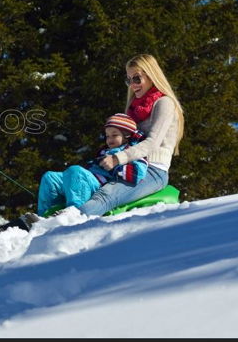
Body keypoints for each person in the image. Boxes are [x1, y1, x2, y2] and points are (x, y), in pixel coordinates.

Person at [16, 53, 184, 231]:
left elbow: (152, 143)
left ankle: (60, 222)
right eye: (129, 80)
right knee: (58, 180)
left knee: (106, 195)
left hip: (152, 171)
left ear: (151, 75)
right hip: (125, 164)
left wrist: (117, 158)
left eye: (137, 78)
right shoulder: (134, 107)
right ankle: (34, 221)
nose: (133, 85)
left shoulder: (164, 103)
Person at [35, 113, 148, 217]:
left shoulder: (132, 150)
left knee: (75, 171)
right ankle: (45, 214)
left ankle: (74, 213)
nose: (110, 139)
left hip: (101, 186)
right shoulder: (105, 151)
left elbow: (138, 173)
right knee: (50, 177)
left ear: (127, 136)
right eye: (107, 136)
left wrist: (114, 167)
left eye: (114, 135)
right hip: (87, 181)